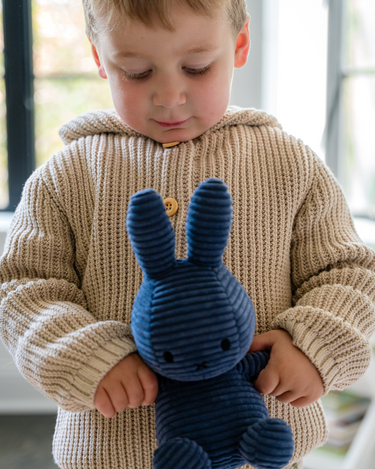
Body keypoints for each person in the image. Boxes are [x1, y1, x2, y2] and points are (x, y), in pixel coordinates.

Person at [0, 1, 374, 468]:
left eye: (197, 68)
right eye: (137, 72)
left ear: (238, 46)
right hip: (112, 453)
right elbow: (22, 288)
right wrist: (85, 356)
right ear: (99, 57)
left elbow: (347, 270)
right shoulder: (66, 177)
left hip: (261, 450)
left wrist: (315, 344)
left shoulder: (289, 163)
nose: (170, 95)